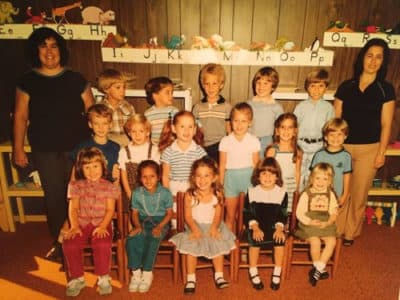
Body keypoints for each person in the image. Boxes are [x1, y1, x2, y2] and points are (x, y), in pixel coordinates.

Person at [13, 27, 94, 258]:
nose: (49, 51)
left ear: (61, 50)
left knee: (80, 195)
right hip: (45, 150)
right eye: (43, 46)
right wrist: (18, 148)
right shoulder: (27, 81)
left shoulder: (76, 79)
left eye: (54, 45)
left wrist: (94, 147)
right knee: (55, 197)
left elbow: (92, 111)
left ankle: (83, 236)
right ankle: (62, 242)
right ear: (35, 51)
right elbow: (20, 116)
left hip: (77, 149)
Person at [334, 38, 395, 246]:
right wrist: (333, 147)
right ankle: (337, 229)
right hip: (343, 148)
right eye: (370, 55)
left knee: (359, 194)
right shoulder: (346, 86)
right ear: (362, 58)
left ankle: (350, 232)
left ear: (383, 62)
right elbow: (336, 120)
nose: (373, 61)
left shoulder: (385, 89)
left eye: (379, 57)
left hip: (370, 149)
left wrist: (381, 152)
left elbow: (386, 124)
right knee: (342, 192)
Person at [46, 104, 121, 260]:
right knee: (72, 217)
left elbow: (115, 174)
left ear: (110, 124)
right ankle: (60, 245)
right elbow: (75, 170)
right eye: (96, 123)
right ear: (90, 124)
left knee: (104, 217)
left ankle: (106, 245)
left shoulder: (115, 147)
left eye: (105, 123)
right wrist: (72, 189)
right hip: (84, 190)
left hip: (103, 192)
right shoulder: (83, 145)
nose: (101, 127)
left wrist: (115, 177)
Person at [169, 157, 236, 294]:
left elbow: (218, 215)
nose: (202, 179)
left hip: (213, 225)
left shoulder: (217, 194)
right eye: (198, 176)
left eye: (206, 176)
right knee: (191, 245)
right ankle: (191, 278)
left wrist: (213, 228)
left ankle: (219, 276)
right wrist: (194, 229)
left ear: (214, 177)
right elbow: (188, 216)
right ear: (193, 178)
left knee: (217, 241)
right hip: (194, 225)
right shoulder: (190, 195)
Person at [62, 147, 120, 297]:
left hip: (102, 222)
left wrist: (102, 227)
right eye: (87, 167)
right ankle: (77, 278)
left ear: (103, 166)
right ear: (80, 168)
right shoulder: (75, 186)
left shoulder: (109, 186)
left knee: (101, 243)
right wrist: (74, 226)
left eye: (95, 166)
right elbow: (73, 208)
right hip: (81, 223)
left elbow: (109, 210)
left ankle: (103, 277)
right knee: (70, 243)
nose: (92, 171)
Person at [125, 160, 173, 293]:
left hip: (161, 221)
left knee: (152, 238)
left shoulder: (165, 192)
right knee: (132, 238)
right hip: (142, 221)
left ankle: (147, 273)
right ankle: (136, 274)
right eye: (144, 177)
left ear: (158, 177)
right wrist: (137, 226)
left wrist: (160, 227)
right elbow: (134, 213)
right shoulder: (137, 193)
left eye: (152, 176)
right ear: (140, 178)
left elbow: (169, 214)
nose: (148, 180)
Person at [243, 157, 288, 291]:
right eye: (264, 173)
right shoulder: (252, 192)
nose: (267, 177)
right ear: (258, 176)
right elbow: (248, 213)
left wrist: (280, 229)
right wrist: (255, 228)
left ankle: (277, 270)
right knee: (255, 243)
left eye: (271, 174)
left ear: (277, 176)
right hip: (256, 226)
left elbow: (282, 214)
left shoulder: (281, 193)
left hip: (275, 227)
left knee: (279, 241)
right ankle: (253, 270)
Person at [159, 111, 206, 228]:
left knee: (194, 217)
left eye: (190, 127)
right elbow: (165, 176)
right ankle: (178, 236)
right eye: (182, 126)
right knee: (177, 220)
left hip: (194, 186)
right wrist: (166, 194)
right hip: (175, 188)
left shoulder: (199, 151)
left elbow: (205, 172)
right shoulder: (168, 151)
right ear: (174, 129)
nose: (187, 131)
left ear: (195, 130)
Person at [295, 162, 338, 287]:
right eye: (317, 178)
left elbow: (334, 213)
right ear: (312, 179)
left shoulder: (331, 194)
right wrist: (309, 221)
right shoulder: (306, 194)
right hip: (308, 222)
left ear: (330, 181)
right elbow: (299, 213)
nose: (321, 182)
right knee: (316, 242)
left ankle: (318, 269)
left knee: (332, 241)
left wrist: (328, 222)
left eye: (325, 179)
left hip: (325, 222)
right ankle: (318, 269)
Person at [219, 102, 260, 231]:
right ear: (231, 122)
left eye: (243, 121)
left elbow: (256, 165)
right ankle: (228, 246)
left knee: (246, 216)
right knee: (230, 216)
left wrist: (257, 185)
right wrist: (220, 185)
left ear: (250, 122)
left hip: (248, 179)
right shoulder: (225, 141)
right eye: (236, 121)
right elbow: (222, 165)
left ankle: (243, 245)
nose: (239, 125)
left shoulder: (254, 141)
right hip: (230, 180)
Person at [294, 69, 334, 190]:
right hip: (301, 145)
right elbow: (295, 128)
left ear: (326, 87)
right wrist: (295, 147)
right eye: (313, 86)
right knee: (299, 176)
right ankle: (297, 203)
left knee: (315, 176)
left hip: (319, 146)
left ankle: (310, 203)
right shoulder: (301, 106)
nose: (316, 89)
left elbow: (330, 130)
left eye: (321, 86)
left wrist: (327, 148)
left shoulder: (328, 107)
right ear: (307, 87)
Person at [311, 118, 352, 236]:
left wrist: (345, 194)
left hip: (337, 195)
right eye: (332, 135)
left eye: (340, 134)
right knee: (320, 219)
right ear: (325, 137)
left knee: (334, 220)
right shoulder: (319, 154)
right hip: (319, 194)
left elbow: (347, 176)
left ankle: (332, 241)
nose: (335, 138)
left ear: (345, 136)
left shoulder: (346, 156)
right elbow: (312, 176)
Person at [192, 63, 232, 162]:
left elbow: (229, 130)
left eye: (214, 83)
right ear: (202, 85)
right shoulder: (197, 107)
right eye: (207, 84)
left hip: (220, 146)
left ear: (221, 85)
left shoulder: (227, 107)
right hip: (202, 146)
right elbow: (196, 127)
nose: (211, 88)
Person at [266, 113, 302, 213]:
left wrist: (297, 190)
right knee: (274, 213)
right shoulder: (272, 151)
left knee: (287, 214)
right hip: (275, 186)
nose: (286, 131)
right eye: (283, 127)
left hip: (290, 188)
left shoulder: (297, 151)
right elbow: (267, 171)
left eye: (290, 128)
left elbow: (297, 172)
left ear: (295, 131)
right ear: (277, 131)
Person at [118, 114, 160, 200]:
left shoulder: (153, 150)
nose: (137, 135)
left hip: (151, 192)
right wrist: (129, 194)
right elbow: (123, 175)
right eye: (134, 132)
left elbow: (157, 174)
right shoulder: (124, 151)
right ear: (129, 133)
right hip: (131, 192)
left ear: (147, 132)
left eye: (141, 131)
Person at [247, 67, 283, 158]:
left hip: (268, 142)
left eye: (266, 83)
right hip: (250, 140)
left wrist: (276, 144)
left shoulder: (276, 107)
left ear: (273, 86)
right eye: (258, 83)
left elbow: (280, 129)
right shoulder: (248, 104)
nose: (261, 86)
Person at [98, 68, 135, 146]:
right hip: (107, 140)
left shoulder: (129, 107)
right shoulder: (100, 107)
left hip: (125, 140)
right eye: (118, 87)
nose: (122, 91)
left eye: (124, 87)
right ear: (106, 89)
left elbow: (134, 126)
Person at [144, 76, 179, 145]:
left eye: (172, 92)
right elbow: (146, 135)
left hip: (172, 147)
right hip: (156, 148)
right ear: (155, 95)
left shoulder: (175, 111)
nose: (171, 96)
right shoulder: (148, 114)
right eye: (167, 93)